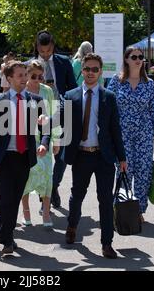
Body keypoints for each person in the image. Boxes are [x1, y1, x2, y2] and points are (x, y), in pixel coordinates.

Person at [58, 53, 127, 259]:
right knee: (77, 195)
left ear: (100, 71)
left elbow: (115, 129)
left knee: (105, 201)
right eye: (87, 69)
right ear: (82, 71)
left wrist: (122, 158)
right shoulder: (71, 96)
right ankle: (72, 226)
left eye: (94, 69)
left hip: (104, 156)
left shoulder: (109, 97)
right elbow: (62, 123)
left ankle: (107, 243)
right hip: (81, 155)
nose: (90, 73)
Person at [0, 60, 49, 255]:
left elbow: (44, 127)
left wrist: (44, 142)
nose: (24, 78)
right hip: (3, 158)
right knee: (6, 199)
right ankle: (7, 241)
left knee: (15, 197)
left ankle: (8, 235)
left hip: (24, 157)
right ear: (9, 78)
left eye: (25, 75)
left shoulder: (35, 100)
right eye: (19, 75)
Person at [107, 47, 154, 222]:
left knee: (143, 171)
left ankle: (138, 210)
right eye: (134, 57)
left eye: (140, 57)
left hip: (144, 133)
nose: (138, 59)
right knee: (124, 170)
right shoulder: (117, 81)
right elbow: (107, 104)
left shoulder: (149, 83)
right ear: (126, 59)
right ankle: (121, 208)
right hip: (122, 133)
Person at [33, 30, 77, 208]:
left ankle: (53, 187)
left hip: (61, 110)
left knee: (62, 155)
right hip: (38, 114)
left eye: (48, 51)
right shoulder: (30, 65)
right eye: (42, 51)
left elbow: (73, 87)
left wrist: (63, 98)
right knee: (41, 156)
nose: (45, 55)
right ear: (37, 48)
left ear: (53, 47)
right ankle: (45, 192)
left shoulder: (64, 62)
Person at [21, 60, 61, 228]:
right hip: (25, 140)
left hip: (45, 139)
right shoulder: (21, 91)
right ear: (27, 75)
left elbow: (55, 115)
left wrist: (57, 139)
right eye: (34, 76)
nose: (38, 79)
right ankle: (26, 213)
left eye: (40, 76)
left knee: (47, 177)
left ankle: (45, 212)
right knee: (25, 177)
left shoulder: (47, 91)